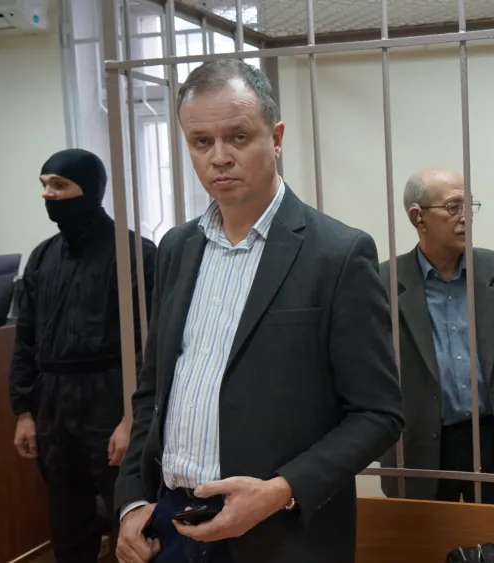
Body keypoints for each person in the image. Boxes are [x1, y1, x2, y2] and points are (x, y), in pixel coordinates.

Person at [113, 59, 405, 563]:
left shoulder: (337, 254)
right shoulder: (177, 248)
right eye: (201, 142)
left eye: (238, 137)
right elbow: (153, 391)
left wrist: (280, 491)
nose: (219, 158)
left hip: (281, 532)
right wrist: (132, 501)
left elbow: (379, 414)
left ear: (276, 137)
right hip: (172, 525)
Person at [10, 148, 157, 563]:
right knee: (67, 521)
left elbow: (152, 346)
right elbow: (26, 338)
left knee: (131, 517)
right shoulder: (42, 257)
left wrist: (132, 417)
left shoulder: (135, 254)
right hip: (54, 403)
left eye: (60, 185)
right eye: (44, 186)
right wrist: (24, 411)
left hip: (110, 398)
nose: (49, 195)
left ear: (89, 190)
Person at [378, 168, 494, 506]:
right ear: (418, 217)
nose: (465, 217)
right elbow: (372, 373)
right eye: (453, 207)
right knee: (427, 536)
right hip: (420, 445)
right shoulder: (382, 282)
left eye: (469, 205)